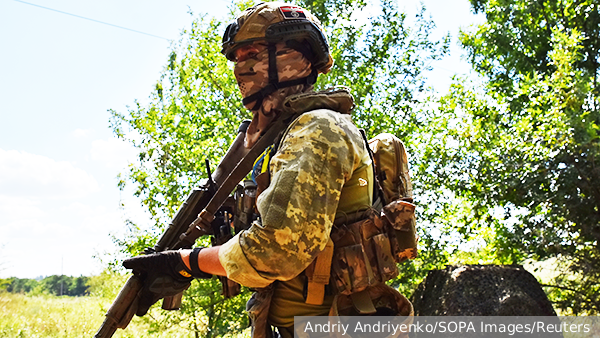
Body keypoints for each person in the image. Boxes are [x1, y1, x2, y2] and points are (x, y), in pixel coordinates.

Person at [123, 3, 412, 337]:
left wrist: (185, 263)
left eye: (252, 54)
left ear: (293, 57)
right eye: (237, 58)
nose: (240, 68)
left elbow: (275, 252)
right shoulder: (282, 137)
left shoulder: (316, 130)